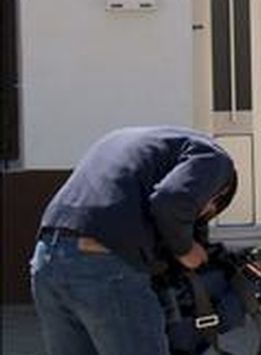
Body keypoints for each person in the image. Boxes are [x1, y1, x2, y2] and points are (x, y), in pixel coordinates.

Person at [30, 126, 238, 355]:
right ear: (218, 195)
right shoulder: (216, 160)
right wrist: (186, 250)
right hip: (105, 267)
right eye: (205, 212)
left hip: (46, 260)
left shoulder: (127, 141)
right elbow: (171, 201)